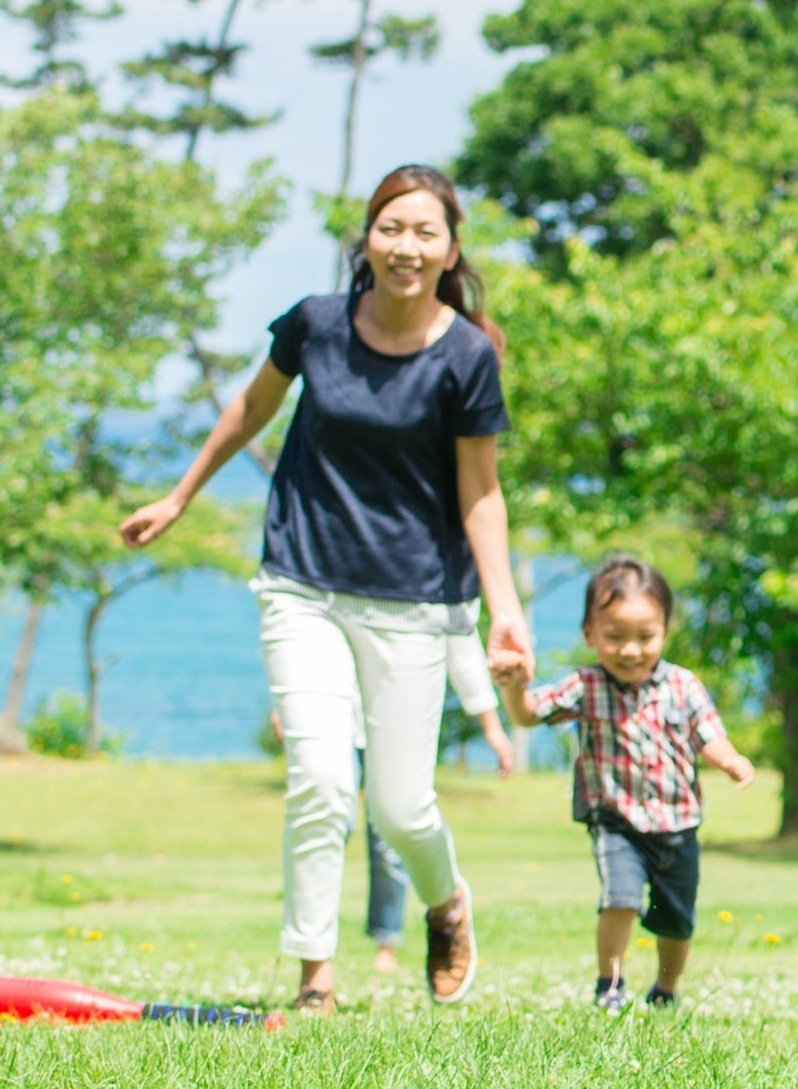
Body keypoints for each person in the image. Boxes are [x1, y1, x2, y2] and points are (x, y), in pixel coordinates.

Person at [121, 164, 532, 1013]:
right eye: (391, 227)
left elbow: (480, 492)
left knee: (400, 807)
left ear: (450, 250)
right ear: (366, 239)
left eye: (425, 232)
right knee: (316, 775)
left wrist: (506, 612)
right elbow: (249, 408)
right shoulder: (314, 325)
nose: (405, 246)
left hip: (417, 600)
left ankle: (446, 901)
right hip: (301, 581)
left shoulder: (465, 355)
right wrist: (179, 494)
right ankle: (315, 977)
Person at [492, 553, 756, 1009]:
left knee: (676, 919)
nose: (630, 650)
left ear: (665, 631)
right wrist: (514, 687)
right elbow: (528, 715)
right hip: (616, 822)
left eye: (645, 637)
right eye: (615, 637)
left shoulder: (683, 685)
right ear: (590, 634)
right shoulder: (585, 685)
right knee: (621, 898)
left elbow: (708, 735)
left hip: (677, 825)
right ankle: (609, 985)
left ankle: (666, 991)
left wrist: (730, 760)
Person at [363, 646, 519, 975]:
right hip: (338, 720)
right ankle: (316, 974)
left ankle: (388, 941)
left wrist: (491, 725)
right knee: (328, 815)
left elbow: (457, 633)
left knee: (391, 830)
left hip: (389, 720)